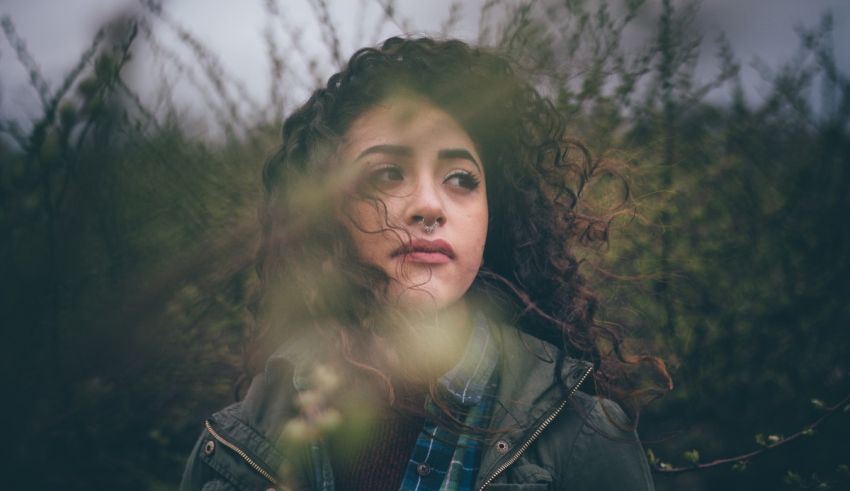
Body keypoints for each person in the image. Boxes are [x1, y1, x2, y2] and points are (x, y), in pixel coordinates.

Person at [180, 36, 669, 491]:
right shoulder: (233, 446)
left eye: (460, 179)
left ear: (490, 219)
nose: (430, 206)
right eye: (388, 173)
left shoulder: (583, 436)